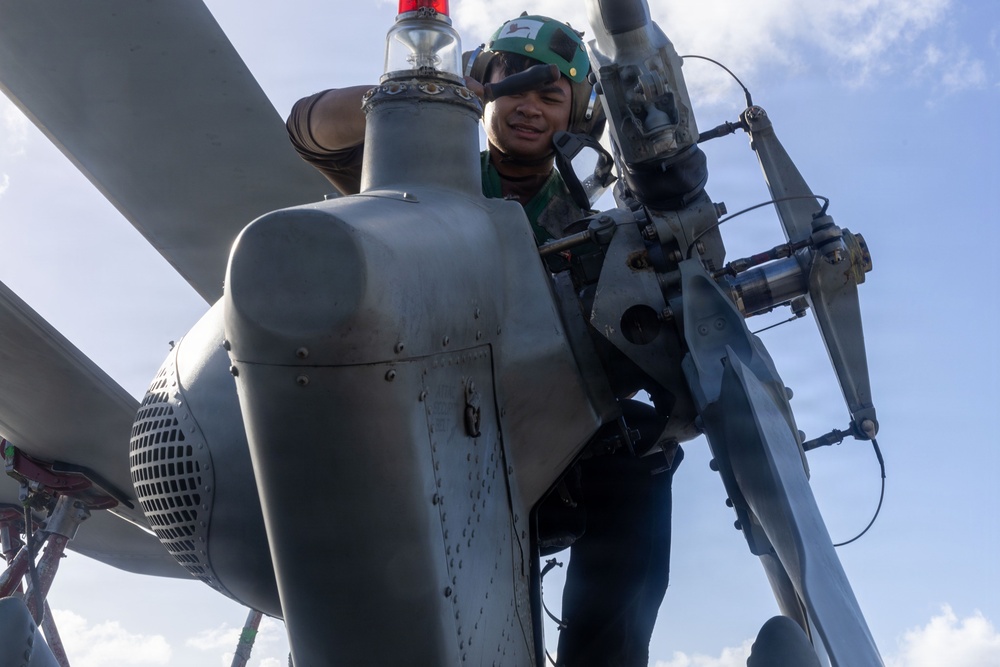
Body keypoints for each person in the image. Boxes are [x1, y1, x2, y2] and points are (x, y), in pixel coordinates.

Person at [286, 14, 681, 666]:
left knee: (642, 449)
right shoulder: (416, 178)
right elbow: (309, 129)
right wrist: (429, 96)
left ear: (578, 114)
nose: (528, 108)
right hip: (406, 420)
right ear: (481, 90)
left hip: (539, 433)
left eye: (549, 95)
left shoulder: (592, 228)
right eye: (511, 89)